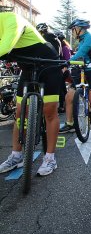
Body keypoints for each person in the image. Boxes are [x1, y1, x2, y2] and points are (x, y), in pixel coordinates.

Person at [0, 12, 62, 176]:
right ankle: (16, 156)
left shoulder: (11, 19)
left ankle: (50, 158)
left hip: (48, 64)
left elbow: (5, 46)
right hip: (27, 68)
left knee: (49, 112)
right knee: (20, 113)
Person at [59, 19, 91, 133]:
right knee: (69, 96)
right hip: (84, 70)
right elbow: (80, 56)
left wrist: (68, 62)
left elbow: (81, 53)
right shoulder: (82, 40)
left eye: (73, 30)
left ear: (79, 29)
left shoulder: (90, 38)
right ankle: (70, 124)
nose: (72, 32)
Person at [55, 31, 72, 113]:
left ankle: (62, 106)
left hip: (64, 70)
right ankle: (63, 105)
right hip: (60, 69)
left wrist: (64, 69)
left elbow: (68, 59)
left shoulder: (65, 48)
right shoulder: (60, 47)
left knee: (61, 88)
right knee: (61, 88)